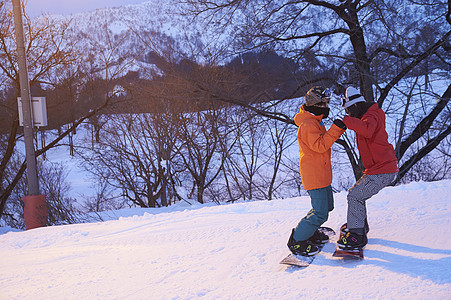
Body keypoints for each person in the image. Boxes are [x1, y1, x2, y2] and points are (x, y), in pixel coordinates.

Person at [336, 87, 399, 250]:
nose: (349, 114)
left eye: (349, 110)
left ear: (355, 106)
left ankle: (356, 236)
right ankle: (359, 227)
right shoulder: (368, 115)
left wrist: (346, 120)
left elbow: (368, 130)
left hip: (383, 170)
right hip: (378, 168)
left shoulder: (370, 116)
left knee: (355, 197)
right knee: (356, 194)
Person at [287, 86, 346, 256]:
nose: (327, 107)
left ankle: (309, 232)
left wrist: (336, 128)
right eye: (324, 104)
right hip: (314, 176)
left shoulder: (316, 121)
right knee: (320, 213)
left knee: (326, 207)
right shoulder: (307, 124)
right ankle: (297, 240)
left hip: (322, 174)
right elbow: (319, 146)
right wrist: (337, 129)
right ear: (315, 104)